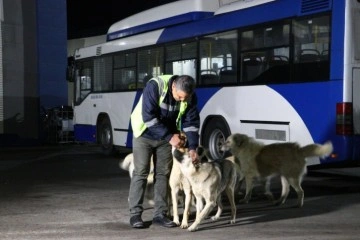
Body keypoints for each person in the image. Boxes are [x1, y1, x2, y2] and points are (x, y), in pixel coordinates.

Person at [128, 75, 200, 228]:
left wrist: (193, 147)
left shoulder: (189, 96)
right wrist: (170, 137)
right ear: (173, 86)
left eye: (184, 98)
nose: (181, 100)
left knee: (163, 173)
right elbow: (148, 117)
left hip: (166, 137)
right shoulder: (155, 86)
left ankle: (160, 214)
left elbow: (191, 122)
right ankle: (135, 215)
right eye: (179, 97)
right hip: (144, 134)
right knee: (141, 171)